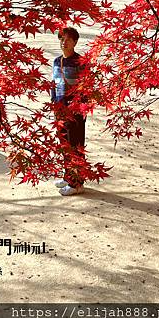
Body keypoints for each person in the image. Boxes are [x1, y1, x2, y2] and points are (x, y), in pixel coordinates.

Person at [51, 27, 87, 196]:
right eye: (61, 39)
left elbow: (87, 88)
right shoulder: (57, 61)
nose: (63, 42)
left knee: (75, 146)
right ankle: (68, 176)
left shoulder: (81, 61)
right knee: (64, 145)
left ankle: (76, 184)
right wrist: (54, 104)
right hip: (59, 109)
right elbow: (54, 84)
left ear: (75, 42)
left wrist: (79, 109)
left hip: (75, 111)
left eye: (67, 39)